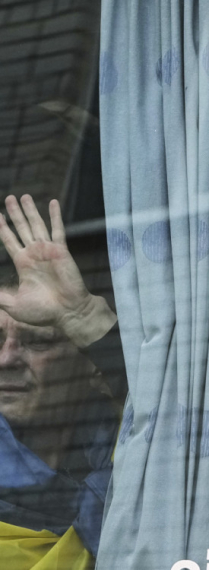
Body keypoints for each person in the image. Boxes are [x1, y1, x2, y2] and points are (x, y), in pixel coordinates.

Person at [0, 196, 120, 569]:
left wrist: (83, 317)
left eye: (38, 341)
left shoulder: (135, 465)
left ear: (92, 367)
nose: (5, 359)